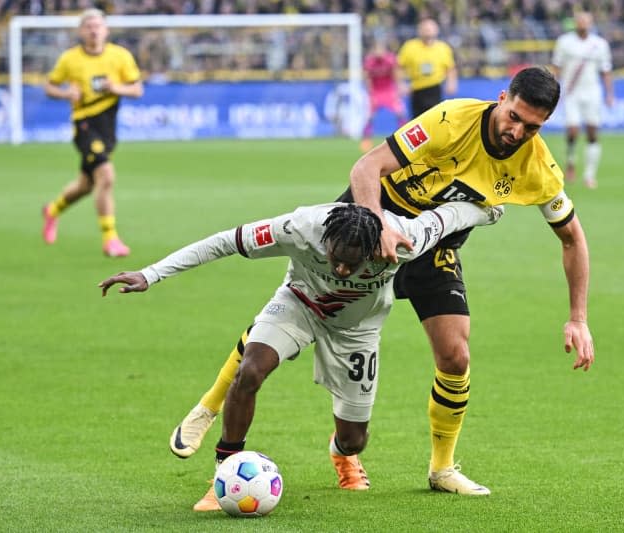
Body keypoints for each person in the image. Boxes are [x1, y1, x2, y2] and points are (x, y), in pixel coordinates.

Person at [168, 66, 595, 501]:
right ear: (502, 98)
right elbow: (368, 166)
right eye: (514, 117)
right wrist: (378, 225)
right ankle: (209, 406)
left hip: (429, 243)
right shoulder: (451, 119)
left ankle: (440, 468)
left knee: (455, 355)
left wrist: (578, 318)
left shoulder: (538, 167)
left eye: (532, 127)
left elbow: (572, 238)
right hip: (362, 230)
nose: (518, 131)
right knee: (293, 313)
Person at [99, 200, 504, 511]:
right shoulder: (298, 228)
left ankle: (341, 454)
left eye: (353, 263)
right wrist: (151, 274)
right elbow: (224, 241)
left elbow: (450, 215)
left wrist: (490, 212)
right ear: (325, 241)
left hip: (358, 332)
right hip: (299, 306)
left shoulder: (402, 238)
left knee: (355, 437)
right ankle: (225, 470)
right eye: (336, 259)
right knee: (250, 371)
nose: (343, 270)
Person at [41, 8, 143, 257]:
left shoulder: (120, 56)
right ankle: (111, 239)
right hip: (84, 123)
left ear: (106, 30)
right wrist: (67, 94)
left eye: (98, 26)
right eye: (89, 26)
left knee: (87, 185)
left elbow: (137, 89)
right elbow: (49, 86)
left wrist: (115, 87)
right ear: (81, 31)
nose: (94, 30)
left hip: (107, 126)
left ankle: (52, 210)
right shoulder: (70, 59)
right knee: (106, 176)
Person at [551, 11, 614, 189]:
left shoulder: (600, 44)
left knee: (593, 132)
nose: (583, 24)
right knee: (572, 130)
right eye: (580, 21)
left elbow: (606, 71)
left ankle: (589, 174)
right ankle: (571, 160)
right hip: (571, 93)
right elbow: (556, 67)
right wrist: (553, 90)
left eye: (586, 21)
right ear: (575, 23)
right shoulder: (564, 42)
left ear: (591, 23)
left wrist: (610, 94)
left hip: (592, 93)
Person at [396, 17, 457, 118]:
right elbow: (399, 67)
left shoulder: (443, 48)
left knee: (435, 120)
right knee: (417, 121)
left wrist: (451, 83)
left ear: (436, 30)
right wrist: (401, 83)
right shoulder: (410, 46)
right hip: (416, 89)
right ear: (419, 30)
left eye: (430, 28)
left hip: (435, 88)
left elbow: (450, 68)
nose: (427, 31)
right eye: (424, 28)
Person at [359, 39, 407, 153]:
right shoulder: (369, 62)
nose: (378, 52)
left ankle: (404, 138)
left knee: (400, 113)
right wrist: (370, 93)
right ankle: (366, 140)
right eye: (376, 50)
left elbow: (396, 73)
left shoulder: (390, 59)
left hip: (389, 90)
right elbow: (367, 78)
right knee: (370, 116)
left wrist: (399, 87)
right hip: (376, 91)